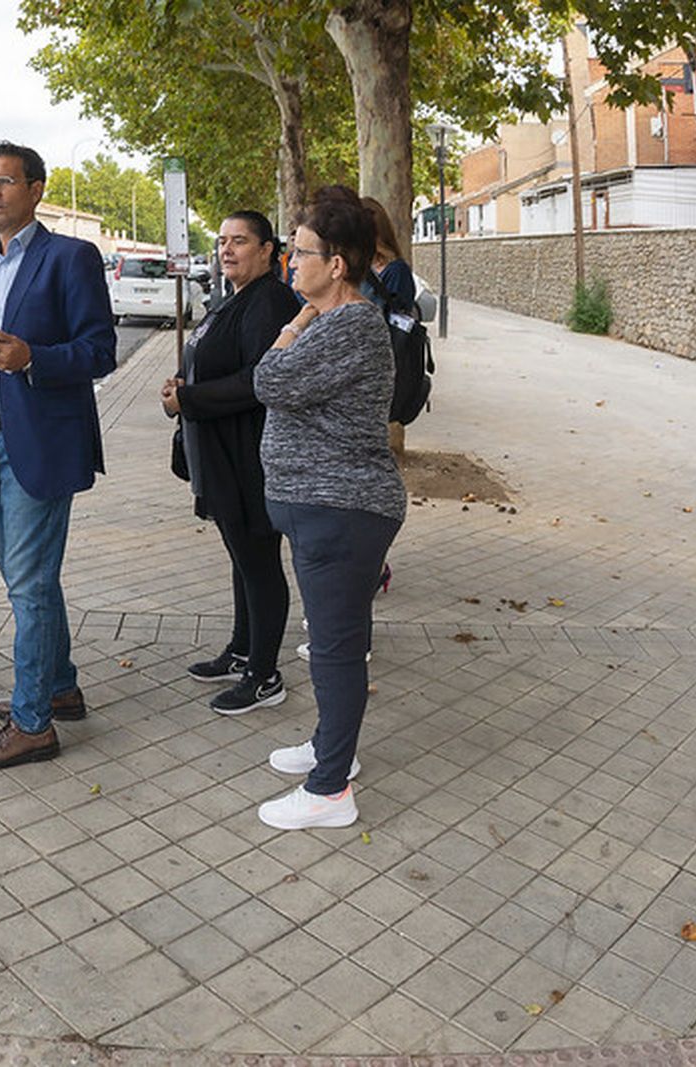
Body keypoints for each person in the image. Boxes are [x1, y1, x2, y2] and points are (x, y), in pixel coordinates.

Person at [0, 140, 117, 769]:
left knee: (31, 587)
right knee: (25, 582)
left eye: (5, 182)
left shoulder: (71, 258)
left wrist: (31, 357)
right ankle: (58, 687)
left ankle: (32, 721)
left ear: (37, 190)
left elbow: (99, 350)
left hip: (36, 444)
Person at [253, 185, 406, 830]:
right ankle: (329, 748)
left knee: (336, 650)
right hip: (322, 506)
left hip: (341, 508)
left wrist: (293, 323)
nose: (290, 262)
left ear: (336, 264)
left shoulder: (351, 326)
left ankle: (329, 791)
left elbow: (270, 379)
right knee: (334, 641)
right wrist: (305, 317)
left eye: (301, 251)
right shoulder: (337, 319)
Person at [161, 211, 298, 715]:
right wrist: (177, 389)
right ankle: (243, 650)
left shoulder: (270, 302)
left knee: (259, 564)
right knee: (242, 562)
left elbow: (257, 380)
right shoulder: (233, 299)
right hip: (221, 457)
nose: (227, 249)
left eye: (239, 241)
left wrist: (190, 398)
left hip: (252, 459)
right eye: (222, 241)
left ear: (267, 250)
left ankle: (264, 676)